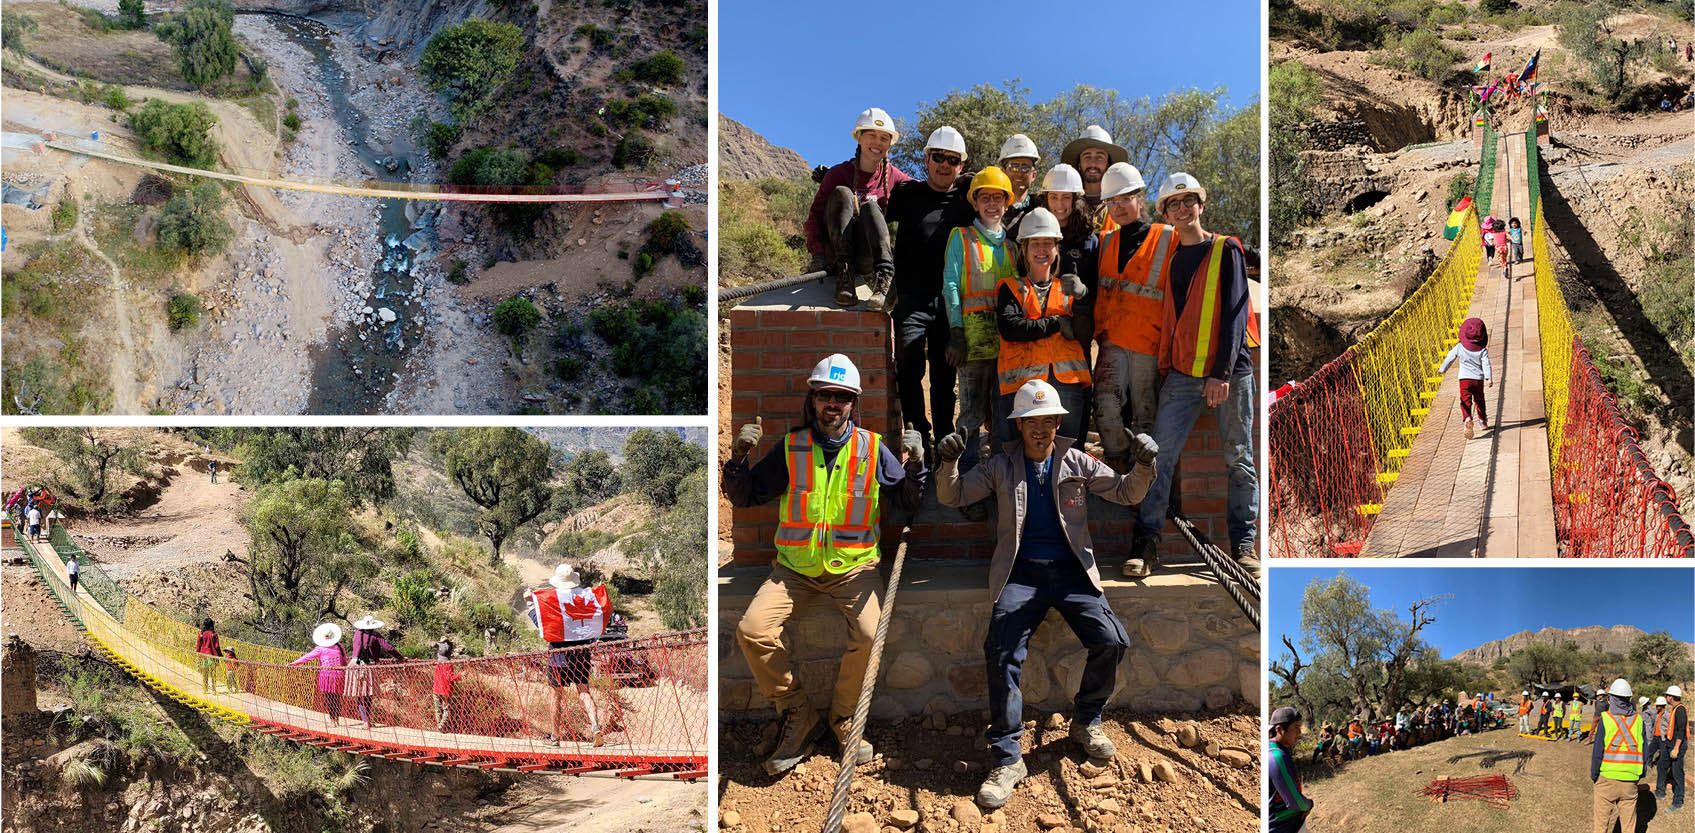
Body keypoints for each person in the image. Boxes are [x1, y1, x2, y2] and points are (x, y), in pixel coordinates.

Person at [933, 378, 1154, 808]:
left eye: (1047, 420)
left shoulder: (1077, 461)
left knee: (1112, 641)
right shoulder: (1001, 465)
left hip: (1072, 574)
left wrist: (1144, 464)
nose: (1040, 428)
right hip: (1021, 575)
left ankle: (1086, 720)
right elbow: (954, 495)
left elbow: (1128, 492)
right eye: (1030, 420)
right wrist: (948, 462)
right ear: (1019, 425)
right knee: (1000, 652)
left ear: (1057, 422)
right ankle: (1008, 756)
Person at [725, 353, 926, 775]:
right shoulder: (792, 447)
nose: (832, 404)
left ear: (854, 403)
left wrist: (918, 467)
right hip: (794, 570)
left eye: (842, 397)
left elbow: (908, 504)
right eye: (824, 396)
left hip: (854, 570)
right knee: (751, 630)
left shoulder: (872, 449)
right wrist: (739, 457)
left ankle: (844, 718)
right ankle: (798, 712)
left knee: (871, 634)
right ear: (812, 400)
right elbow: (745, 497)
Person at [1132, 173, 1259, 572]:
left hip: (1229, 374)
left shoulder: (1227, 250)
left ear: (1201, 205)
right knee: (1159, 457)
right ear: (1166, 214)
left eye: (1189, 201)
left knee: (1239, 458)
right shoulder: (1172, 261)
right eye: (1174, 203)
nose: (1183, 209)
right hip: (1183, 376)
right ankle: (1146, 544)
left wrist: (1220, 374)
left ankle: (1244, 545)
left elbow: (1237, 314)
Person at [887, 125, 977, 458]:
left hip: (952, 301)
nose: (944, 165)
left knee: (944, 372)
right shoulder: (908, 194)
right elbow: (870, 196)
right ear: (926, 158)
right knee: (909, 365)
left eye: (952, 160)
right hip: (912, 298)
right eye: (938, 157)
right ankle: (917, 434)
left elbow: (1001, 203)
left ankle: (943, 437)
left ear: (960, 165)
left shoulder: (967, 199)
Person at [944, 165, 1019, 491]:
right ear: (975, 203)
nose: (991, 204)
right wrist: (957, 331)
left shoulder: (1014, 248)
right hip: (972, 345)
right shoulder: (961, 237)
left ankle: (1003, 483)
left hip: (1007, 346)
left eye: (997, 198)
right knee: (970, 418)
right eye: (984, 197)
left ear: (1007, 203)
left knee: (1004, 419)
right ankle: (969, 484)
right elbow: (950, 285)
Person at [1087, 162, 1163, 474]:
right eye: (1112, 201)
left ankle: (1144, 476)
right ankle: (1117, 461)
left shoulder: (1166, 237)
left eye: (1125, 199)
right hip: (1113, 343)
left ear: (1140, 199)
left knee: (1146, 416)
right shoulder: (1104, 243)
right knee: (1104, 407)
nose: (1118, 207)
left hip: (1149, 345)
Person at [996, 208, 1092, 445]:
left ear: (1056, 248)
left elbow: (1084, 334)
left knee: (1068, 456)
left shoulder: (1068, 288)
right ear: (1024, 249)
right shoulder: (1011, 287)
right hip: (1021, 385)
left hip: (1066, 383)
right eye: (1035, 244)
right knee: (1016, 457)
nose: (1041, 250)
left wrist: (1083, 299)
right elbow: (1011, 328)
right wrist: (1056, 323)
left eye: (1047, 243)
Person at [804, 108, 911, 308]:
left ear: (889, 144)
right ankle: (845, 277)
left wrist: (961, 185)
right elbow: (814, 218)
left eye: (884, 138)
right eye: (871, 135)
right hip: (836, 255)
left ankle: (885, 279)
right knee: (843, 193)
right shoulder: (837, 173)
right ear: (859, 138)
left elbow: (924, 190)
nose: (878, 143)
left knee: (871, 207)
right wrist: (817, 255)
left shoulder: (894, 177)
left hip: (865, 255)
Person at [527, 564, 608, 748]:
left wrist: (530, 605)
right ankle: (596, 727)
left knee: (556, 696)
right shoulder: (584, 598)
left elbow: (542, 624)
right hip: (581, 654)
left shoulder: (554, 601)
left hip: (558, 658)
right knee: (584, 692)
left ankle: (555, 737)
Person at [1594, 678, 1649, 833]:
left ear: (1612, 698)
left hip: (1606, 779)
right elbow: (1644, 751)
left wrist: (1595, 775)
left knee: (1601, 824)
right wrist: (1639, 775)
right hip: (1630, 781)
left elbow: (1598, 752)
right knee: (1628, 825)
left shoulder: (1606, 718)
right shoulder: (1639, 721)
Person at [1061, 125, 1129, 232]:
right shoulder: (1065, 203)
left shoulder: (1124, 203)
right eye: (1087, 157)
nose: (1093, 163)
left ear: (1108, 164)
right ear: (1079, 164)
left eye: (1099, 157)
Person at [1440, 317, 1493, 439]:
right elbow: (1486, 364)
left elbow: (1450, 357)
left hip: (1464, 379)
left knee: (1465, 400)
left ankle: (1467, 418)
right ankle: (1482, 421)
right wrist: (1488, 378)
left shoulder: (1459, 347)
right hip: (1478, 380)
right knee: (1479, 400)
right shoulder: (1482, 351)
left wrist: (1442, 369)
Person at [346, 614, 400, 729]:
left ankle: (365, 720)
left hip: (354, 666)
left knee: (359, 695)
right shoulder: (376, 636)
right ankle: (367, 721)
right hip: (368, 666)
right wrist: (401, 658)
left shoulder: (356, 634)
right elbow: (388, 648)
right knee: (368, 695)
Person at [290, 623, 348, 726]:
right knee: (337, 698)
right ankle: (337, 720)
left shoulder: (320, 649)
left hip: (326, 677)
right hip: (339, 675)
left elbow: (307, 657)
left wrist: (294, 663)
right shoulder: (340, 646)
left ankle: (332, 721)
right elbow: (344, 660)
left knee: (329, 698)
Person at [1268, 707, 1314, 833]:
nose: (1299, 732)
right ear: (1280, 730)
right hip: (1282, 827)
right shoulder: (1277, 757)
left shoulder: (1276, 749)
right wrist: (1309, 804)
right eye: (1296, 727)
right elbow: (1295, 802)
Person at [997, 133, 1041, 231]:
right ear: (1003, 172)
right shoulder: (991, 207)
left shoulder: (1041, 207)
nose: (1019, 174)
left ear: (1034, 175)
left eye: (1025, 168)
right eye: (1014, 167)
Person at [1658, 685, 1686, 812]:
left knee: (1677, 774)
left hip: (1676, 747)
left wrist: (1676, 748)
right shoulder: (1675, 709)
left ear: (1671, 697)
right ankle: (1660, 792)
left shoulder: (1680, 710)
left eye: (1667, 695)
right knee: (1661, 766)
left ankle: (1678, 802)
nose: (1666, 698)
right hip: (1669, 745)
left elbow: (1681, 731)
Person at [432, 639, 461, 733]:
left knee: (438, 709)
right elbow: (450, 678)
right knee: (447, 709)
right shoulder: (448, 665)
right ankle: (441, 726)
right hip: (446, 691)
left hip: (436, 689)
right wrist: (460, 676)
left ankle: (438, 726)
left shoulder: (437, 664)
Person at [196, 618, 222, 694]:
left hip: (203, 656)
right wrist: (220, 655)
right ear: (212, 625)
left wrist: (197, 653)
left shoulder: (201, 634)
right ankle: (214, 690)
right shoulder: (214, 634)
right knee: (213, 673)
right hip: (212, 655)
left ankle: (205, 689)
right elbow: (217, 646)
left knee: (205, 673)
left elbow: (198, 645)